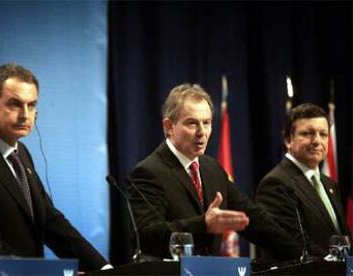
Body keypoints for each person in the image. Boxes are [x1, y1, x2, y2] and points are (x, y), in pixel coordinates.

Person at [0, 63, 110, 271]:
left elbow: (49, 220)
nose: (25, 114)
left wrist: (103, 268)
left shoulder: (21, 154)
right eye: (15, 104)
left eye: (31, 105)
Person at [127, 83, 301, 261]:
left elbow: (253, 218)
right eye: (192, 123)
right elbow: (146, 235)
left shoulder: (212, 169)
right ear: (169, 127)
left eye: (207, 123)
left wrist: (303, 257)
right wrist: (203, 224)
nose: (202, 132)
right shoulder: (148, 172)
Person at [256, 103, 348, 258]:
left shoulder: (329, 184)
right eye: (307, 134)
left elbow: (342, 239)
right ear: (288, 140)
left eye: (323, 134)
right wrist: (338, 266)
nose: (317, 141)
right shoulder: (275, 184)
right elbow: (295, 246)